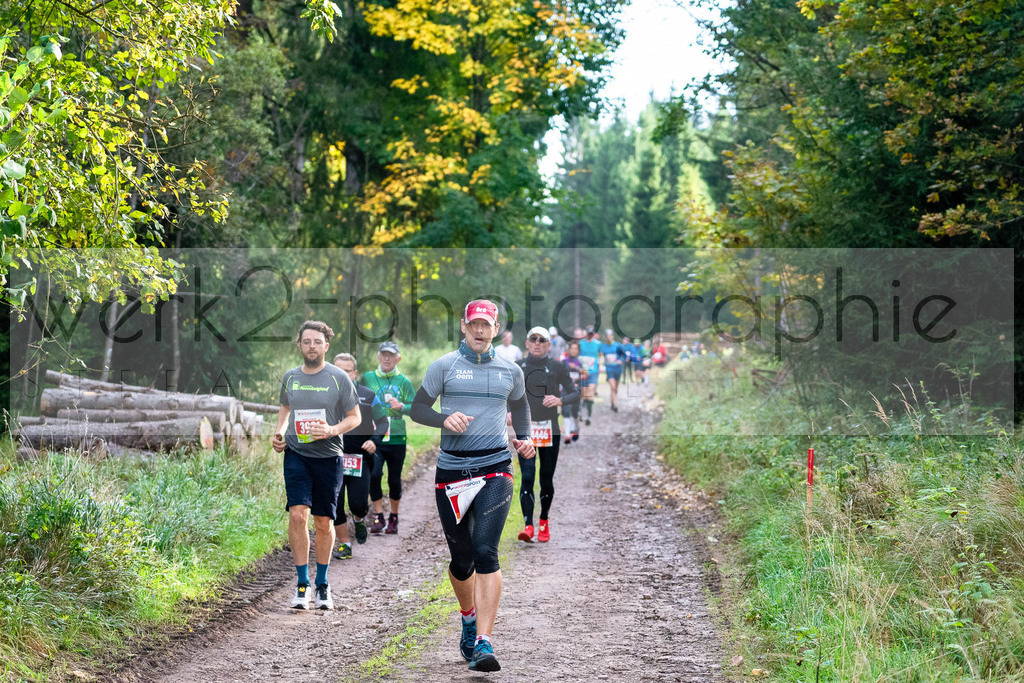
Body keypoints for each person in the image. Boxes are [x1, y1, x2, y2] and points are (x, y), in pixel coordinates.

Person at [410, 299, 534, 672]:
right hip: (452, 471)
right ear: (464, 326)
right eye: (474, 324)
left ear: (496, 329)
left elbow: (521, 406)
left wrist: (525, 437)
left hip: (496, 467)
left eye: (487, 325)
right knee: (462, 559)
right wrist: (444, 419)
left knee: (485, 551)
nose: (480, 330)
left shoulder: (510, 370)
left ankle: (483, 641)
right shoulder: (444, 366)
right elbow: (418, 409)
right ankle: (468, 617)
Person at [272, 321, 361, 610]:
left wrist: (332, 430)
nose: (312, 346)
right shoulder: (291, 377)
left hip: (328, 456)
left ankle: (322, 583)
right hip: (296, 454)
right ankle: (302, 584)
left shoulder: (338, 377)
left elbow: (355, 417)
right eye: (307, 341)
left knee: (323, 522)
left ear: (326, 346)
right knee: (298, 516)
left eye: (317, 342)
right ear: (299, 344)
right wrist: (280, 432)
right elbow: (286, 407)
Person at [516, 326, 579, 543]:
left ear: (548, 345)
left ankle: (543, 520)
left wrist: (560, 400)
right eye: (533, 339)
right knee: (527, 476)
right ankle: (528, 526)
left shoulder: (557, 366)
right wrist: (508, 411)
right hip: (525, 430)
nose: (537, 343)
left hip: (550, 429)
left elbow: (574, 392)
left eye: (541, 340)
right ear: (527, 343)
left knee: (546, 478)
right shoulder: (518, 367)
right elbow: (505, 394)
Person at [332, 353, 387, 560]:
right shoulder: (325, 394)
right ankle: (345, 545)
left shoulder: (368, 396)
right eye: (338, 370)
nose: (342, 375)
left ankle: (358, 519)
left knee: (358, 504)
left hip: (359, 458)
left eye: (346, 371)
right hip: (332, 458)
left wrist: (374, 440)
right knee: (335, 504)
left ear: (354, 373)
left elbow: (383, 422)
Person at [360, 340, 416, 535]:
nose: (386, 358)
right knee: (374, 475)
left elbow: (415, 408)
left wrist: (402, 407)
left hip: (397, 438)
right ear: (378, 357)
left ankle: (394, 517)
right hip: (375, 438)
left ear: (397, 358)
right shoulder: (368, 378)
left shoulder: (404, 382)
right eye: (383, 354)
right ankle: (378, 516)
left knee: (394, 480)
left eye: (390, 355)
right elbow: (359, 399)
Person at [561, 340, 586, 443]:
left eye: (576, 349)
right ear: (568, 350)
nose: (573, 350)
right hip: (565, 389)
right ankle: (567, 435)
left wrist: (578, 369)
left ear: (578, 350)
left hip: (576, 390)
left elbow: (586, 374)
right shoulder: (564, 361)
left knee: (574, 412)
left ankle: (575, 428)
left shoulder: (581, 361)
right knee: (566, 411)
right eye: (572, 348)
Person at [577, 326, 601, 425]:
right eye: (589, 334)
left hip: (593, 371)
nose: (590, 335)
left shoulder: (598, 344)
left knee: (590, 392)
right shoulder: (581, 343)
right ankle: (581, 413)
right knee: (584, 394)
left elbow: (601, 355)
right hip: (583, 372)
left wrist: (600, 365)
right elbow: (577, 356)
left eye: (592, 334)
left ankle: (589, 416)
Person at [599, 329, 626, 412]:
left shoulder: (617, 345)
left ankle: (612, 403)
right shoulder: (603, 346)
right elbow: (602, 356)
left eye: (610, 336)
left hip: (617, 369)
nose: (609, 337)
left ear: (612, 336)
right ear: (605, 337)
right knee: (613, 387)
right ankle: (614, 405)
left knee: (615, 389)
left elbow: (623, 356)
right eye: (607, 336)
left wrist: (621, 360)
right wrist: (601, 365)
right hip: (609, 369)